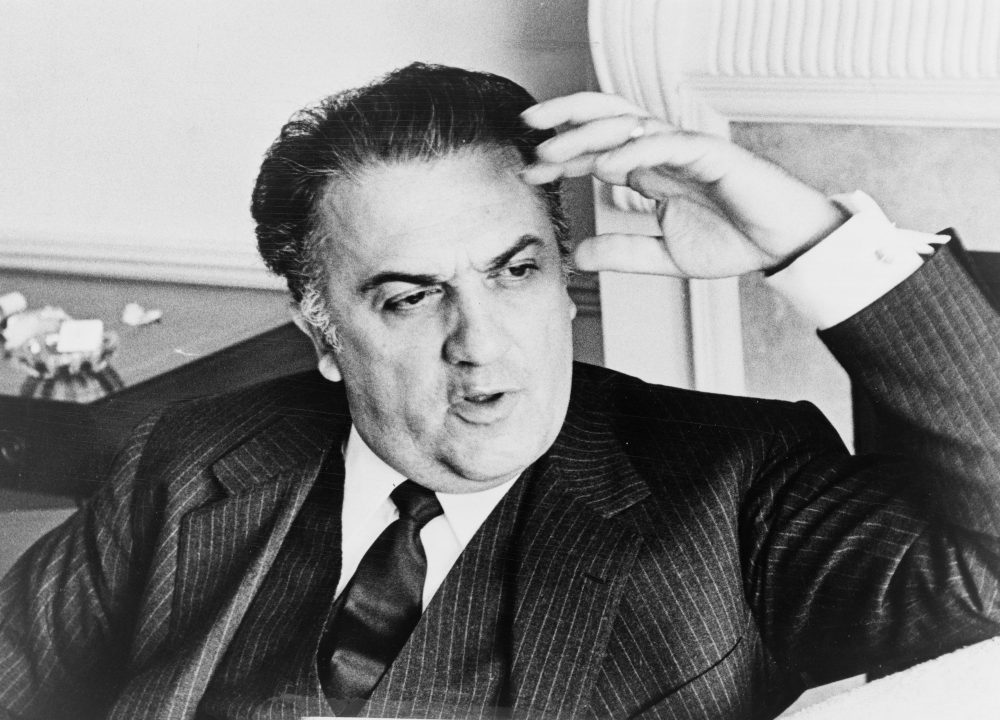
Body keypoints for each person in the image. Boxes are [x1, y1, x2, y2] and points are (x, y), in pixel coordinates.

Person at [1, 62, 998, 720]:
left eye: (515, 272)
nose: (480, 344)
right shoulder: (191, 462)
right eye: (409, 297)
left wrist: (810, 239)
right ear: (322, 335)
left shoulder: (734, 481)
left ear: (563, 281)